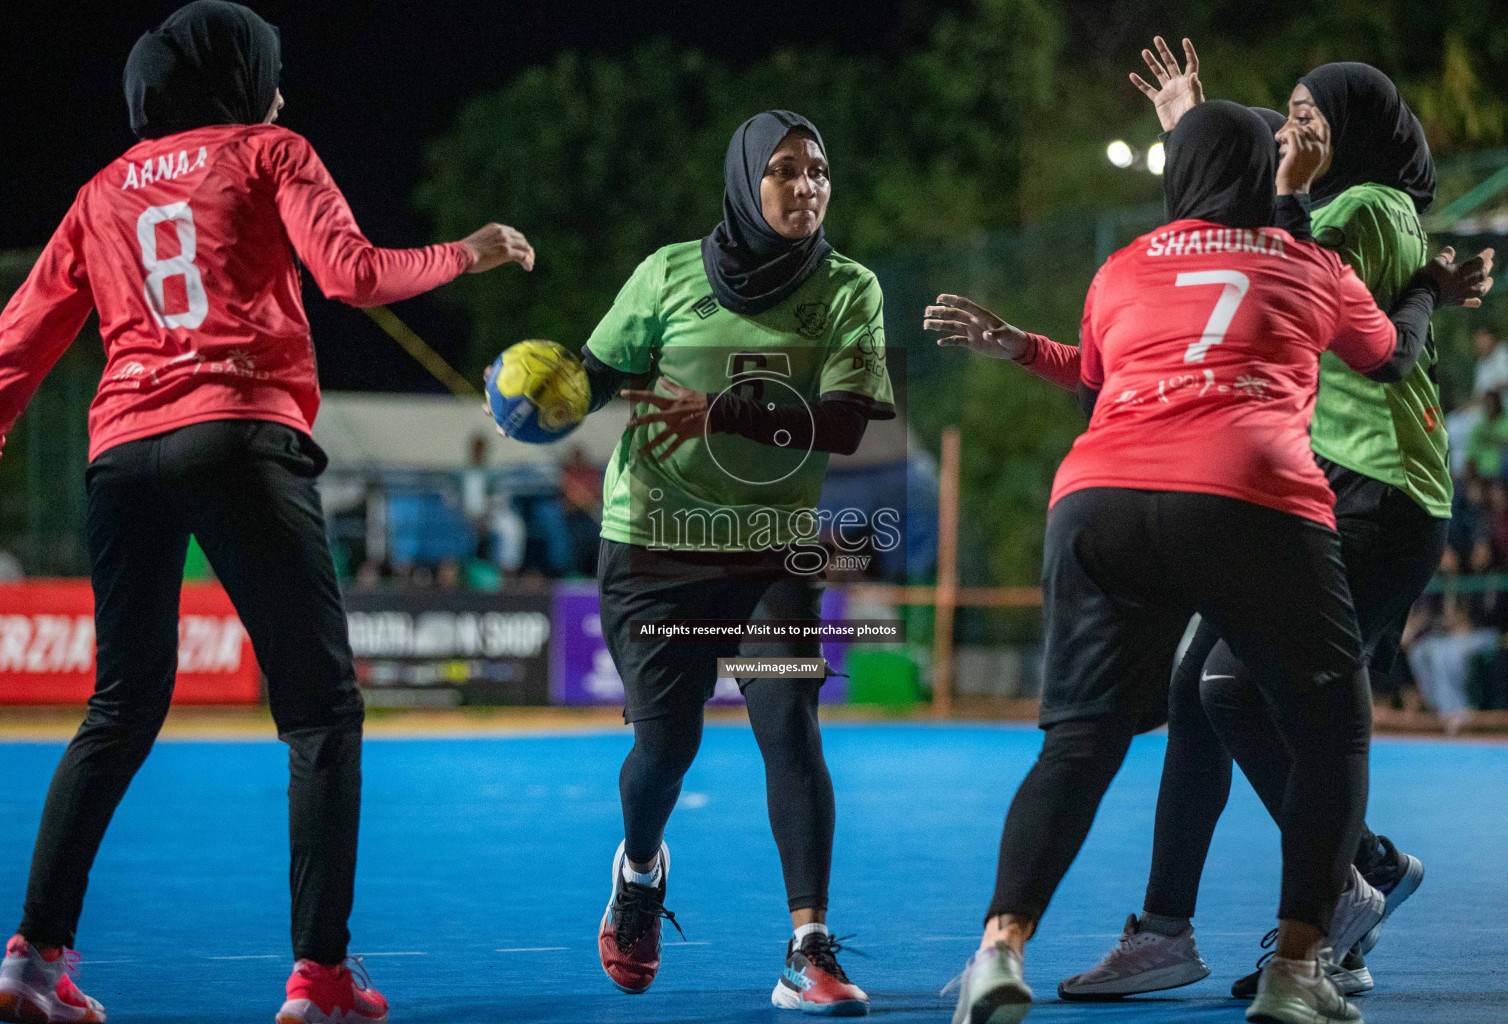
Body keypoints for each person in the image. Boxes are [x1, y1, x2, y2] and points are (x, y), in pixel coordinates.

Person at [0, 4, 533, 1022]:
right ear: (236, 77)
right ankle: (320, 975)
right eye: (269, 70)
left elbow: (18, 341)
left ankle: (29, 959)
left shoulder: (99, 190)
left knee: (119, 708)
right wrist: (469, 251)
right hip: (239, 430)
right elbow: (353, 275)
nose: (280, 90)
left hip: (119, 453)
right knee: (321, 708)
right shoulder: (268, 149)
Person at [936, 47, 1493, 1002]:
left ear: (1361, 133)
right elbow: (1257, 265)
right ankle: (1212, 932)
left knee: (1207, 695)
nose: (1294, 131)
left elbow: (1362, 340)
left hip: (1367, 490)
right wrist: (1202, 142)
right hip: (1270, 485)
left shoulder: (1348, 213)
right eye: (1285, 117)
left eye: (1314, 118)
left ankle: (1337, 899)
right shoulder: (1298, 239)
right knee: (1214, 693)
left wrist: (1210, 150)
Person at [505, 110, 893, 1014]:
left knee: (788, 724)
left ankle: (809, 947)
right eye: (786, 171)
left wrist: (722, 410)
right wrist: (544, 392)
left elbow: (841, 424)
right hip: (653, 545)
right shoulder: (669, 273)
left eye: (819, 171)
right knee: (665, 747)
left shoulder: (849, 289)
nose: (806, 187)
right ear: (746, 180)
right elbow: (599, 372)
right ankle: (639, 873)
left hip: (770, 550)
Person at [1472, 326, 1508, 402]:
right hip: (1486, 407)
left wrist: (1487, 392)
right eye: (1477, 338)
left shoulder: (1504, 354)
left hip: (1507, 406)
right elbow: (1477, 392)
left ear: (1492, 337)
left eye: (1483, 337)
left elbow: (1505, 381)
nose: (1480, 342)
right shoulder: (1480, 363)